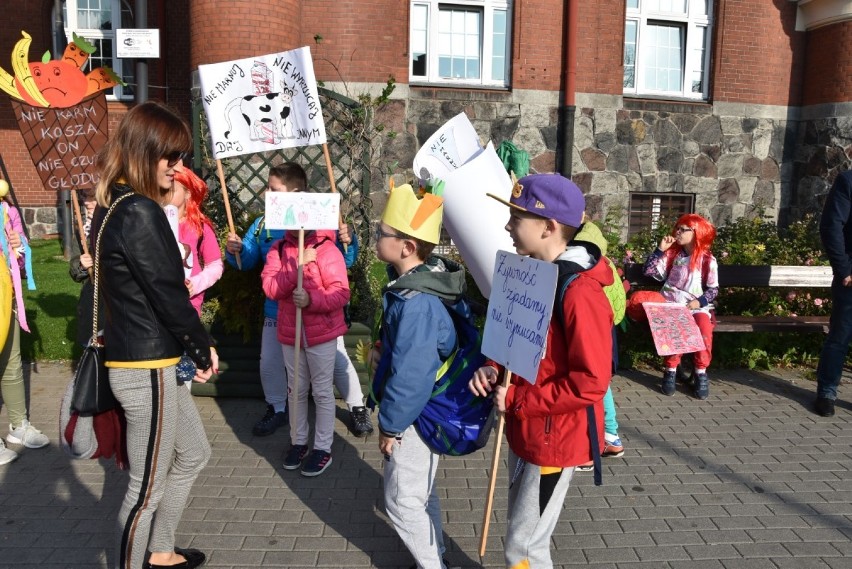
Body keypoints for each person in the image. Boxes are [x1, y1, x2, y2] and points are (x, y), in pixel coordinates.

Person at [93, 100, 216, 569]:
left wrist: (193, 348)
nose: (180, 168)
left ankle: (161, 551)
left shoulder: (115, 206)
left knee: (195, 453)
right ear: (147, 152)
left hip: (153, 362)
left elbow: (152, 292)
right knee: (147, 488)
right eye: (173, 157)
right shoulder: (138, 211)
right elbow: (168, 294)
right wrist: (202, 348)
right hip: (146, 370)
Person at [469, 173, 613, 568]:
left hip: (554, 437)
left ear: (548, 227)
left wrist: (517, 399)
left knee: (524, 546)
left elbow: (591, 382)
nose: (507, 225)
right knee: (521, 535)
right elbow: (513, 338)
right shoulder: (527, 273)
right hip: (525, 427)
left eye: (517, 217)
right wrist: (492, 368)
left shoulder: (581, 293)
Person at [224, 163, 373, 438]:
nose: (266, 193)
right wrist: (235, 250)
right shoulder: (263, 225)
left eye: (273, 189)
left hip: (320, 315)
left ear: (295, 192)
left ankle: (356, 407)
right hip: (278, 312)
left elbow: (345, 260)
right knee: (269, 362)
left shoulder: (321, 219)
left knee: (338, 361)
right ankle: (278, 409)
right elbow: (246, 261)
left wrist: (348, 241)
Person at [370, 184, 464, 569]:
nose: (377, 236)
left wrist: (390, 426)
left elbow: (411, 375)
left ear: (407, 246)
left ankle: (432, 564)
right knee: (420, 493)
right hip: (421, 411)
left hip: (414, 415)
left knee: (400, 502)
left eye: (382, 233)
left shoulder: (418, 303)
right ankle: (435, 554)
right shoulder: (421, 283)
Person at [260, 213, 351, 477]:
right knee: (295, 390)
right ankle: (298, 441)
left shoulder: (327, 248)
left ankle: (322, 448)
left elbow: (341, 292)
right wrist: (295, 267)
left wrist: (311, 299)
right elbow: (272, 288)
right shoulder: (279, 249)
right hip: (291, 333)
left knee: (322, 392)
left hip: (321, 335)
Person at [642, 213, 719, 399]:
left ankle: (700, 372)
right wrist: (660, 250)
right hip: (671, 304)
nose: (678, 232)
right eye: (677, 228)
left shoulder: (707, 260)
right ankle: (670, 370)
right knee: (674, 329)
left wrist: (698, 302)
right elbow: (649, 271)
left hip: (695, 306)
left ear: (696, 233)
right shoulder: (672, 254)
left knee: (703, 329)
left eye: (683, 229)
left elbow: (713, 289)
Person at [0, 181, 47, 466]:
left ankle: (19, 426)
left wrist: (19, 246)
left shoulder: (9, 211)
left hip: (7, 296)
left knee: (11, 361)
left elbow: (20, 257)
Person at [575, 216, 627, 459]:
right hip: (608, 333)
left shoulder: (584, 272)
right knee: (601, 384)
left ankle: (592, 447)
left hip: (593, 334)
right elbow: (618, 307)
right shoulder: (606, 266)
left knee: (593, 386)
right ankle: (611, 435)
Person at [815, 170, 852, 417]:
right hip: (851, 280)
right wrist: (844, 270)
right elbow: (831, 225)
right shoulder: (848, 181)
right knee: (840, 337)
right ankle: (827, 393)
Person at [168, 168, 223, 316]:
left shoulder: (199, 227)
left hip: (189, 304)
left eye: (172, 189)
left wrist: (196, 284)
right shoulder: (153, 223)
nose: (165, 194)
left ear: (188, 193)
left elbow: (215, 265)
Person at [68, 189, 97, 348]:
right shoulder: (82, 229)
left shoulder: (117, 222)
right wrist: (81, 265)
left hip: (114, 300)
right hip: (91, 298)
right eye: (84, 197)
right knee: (92, 350)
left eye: (92, 197)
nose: (86, 202)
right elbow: (74, 270)